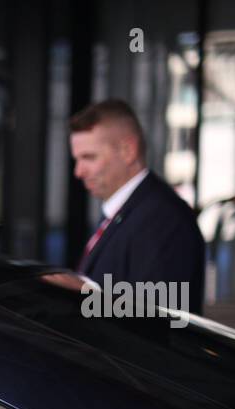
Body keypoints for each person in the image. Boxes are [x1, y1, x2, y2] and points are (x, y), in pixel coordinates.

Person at [70, 99, 205, 314]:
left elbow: (157, 317)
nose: (79, 171)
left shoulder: (163, 219)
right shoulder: (127, 212)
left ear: (128, 150)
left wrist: (80, 292)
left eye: (89, 157)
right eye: (77, 159)